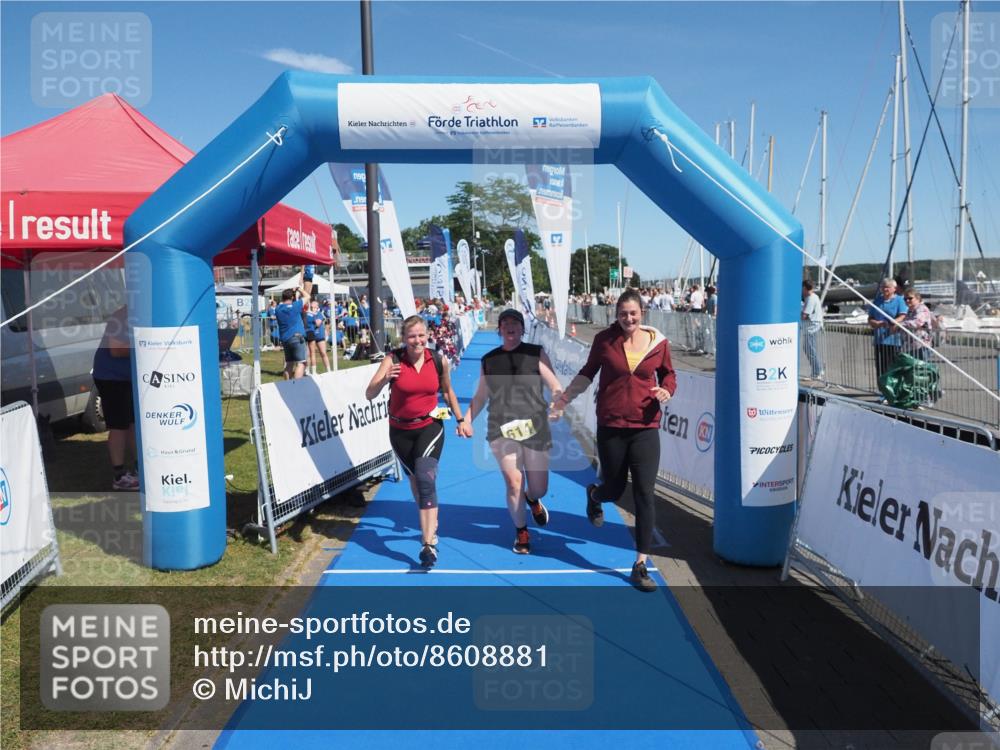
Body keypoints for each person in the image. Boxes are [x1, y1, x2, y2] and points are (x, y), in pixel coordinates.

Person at [554, 289, 676, 592]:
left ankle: (640, 564)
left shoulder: (658, 343)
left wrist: (667, 391)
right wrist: (564, 399)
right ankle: (595, 495)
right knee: (615, 488)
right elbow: (587, 373)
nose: (628, 318)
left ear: (642, 313)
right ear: (616, 314)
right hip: (611, 424)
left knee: (645, 494)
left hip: (646, 425)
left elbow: (668, 375)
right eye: (623, 314)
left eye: (633, 313)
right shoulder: (604, 341)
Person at [365, 315, 468, 569]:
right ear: (403, 338)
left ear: (427, 335)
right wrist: (385, 376)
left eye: (421, 335)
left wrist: (461, 419)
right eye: (412, 336)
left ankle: (427, 544)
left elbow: (447, 391)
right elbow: (370, 393)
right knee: (417, 482)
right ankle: (431, 521)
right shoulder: (394, 360)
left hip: (430, 425)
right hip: (399, 431)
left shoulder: (438, 360)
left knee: (424, 478)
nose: (417, 340)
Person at [462, 309, 564, 554]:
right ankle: (521, 531)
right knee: (513, 482)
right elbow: (481, 396)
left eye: (515, 323)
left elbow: (555, 386)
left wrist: (557, 405)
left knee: (539, 487)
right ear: (499, 329)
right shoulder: (489, 360)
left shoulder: (535, 353)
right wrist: (465, 420)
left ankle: (533, 499)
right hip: (501, 428)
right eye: (505, 323)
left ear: (522, 328)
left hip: (535, 427)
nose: (510, 326)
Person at [92, 304, 138, 490]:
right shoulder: (120, 317)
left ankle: (139, 468)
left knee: (135, 423)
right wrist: (147, 345)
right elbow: (116, 350)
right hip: (111, 377)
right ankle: (119, 476)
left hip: (129, 377)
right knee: (119, 425)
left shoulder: (144, 314)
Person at [897, 287, 938, 407]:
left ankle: (929, 397)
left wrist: (899, 323)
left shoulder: (922, 309)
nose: (907, 301)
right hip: (912, 346)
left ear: (918, 298)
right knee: (914, 372)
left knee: (922, 372)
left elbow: (917, 322)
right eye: (905, 299)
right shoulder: (910, 310)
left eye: (910, 298)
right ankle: (918, 396)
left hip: (921, 346)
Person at [868, 278, 907, 389]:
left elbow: (902, 315)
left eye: (888, 287)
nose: (885, 289)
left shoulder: (899, 300)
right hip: (879, 339)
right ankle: (883, 390)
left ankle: (894, 389)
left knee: (893, 366)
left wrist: (894, 322)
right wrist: (875, 322)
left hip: (894, 339)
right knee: (881, 367)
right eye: (883, 287)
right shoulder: (877, 300)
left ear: (894, 289)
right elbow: (870, 317)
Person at [275, 286, 310, 379]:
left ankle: (287, 386)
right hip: (297, 338)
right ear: (292, 298)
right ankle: (296, 387)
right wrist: (299, 289)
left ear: (282, 298)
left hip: (285, 339)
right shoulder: (295, 306)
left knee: (289, 364)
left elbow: (285, 305)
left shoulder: (278, 309)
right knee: (301, 363)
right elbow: (307, 296)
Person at [801, 280, 824, 379]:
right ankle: (818, 370)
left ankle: (817, 371)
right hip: (813, 326)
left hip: (811, 327)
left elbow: (805, 315)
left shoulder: (810, 299)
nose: (801, 291)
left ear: (805, 288)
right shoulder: (814, 297)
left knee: (809, 349)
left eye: (802, 288)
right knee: (809, 348)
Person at [306, 299, 331, 375]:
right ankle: (308, 371)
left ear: (317, 306)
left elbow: (318, 324)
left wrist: (313, 315)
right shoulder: (308, 313)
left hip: (319, 335)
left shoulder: (319, 314)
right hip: (310, 336)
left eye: (314, 304)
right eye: (312, 304)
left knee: (323, 353)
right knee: (308, 353)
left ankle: (328, 370)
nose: (312, 305)